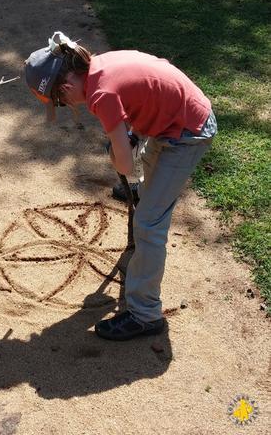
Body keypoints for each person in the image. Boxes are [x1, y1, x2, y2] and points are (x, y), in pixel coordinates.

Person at [25, 32, 217, 341]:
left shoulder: (101, 95)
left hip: (187, 132)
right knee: (147, 181)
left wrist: (118, 151)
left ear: (66, 87)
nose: (66, 106)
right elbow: (137, 100)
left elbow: (125, 166)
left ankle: (145, 314)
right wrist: (125, 141)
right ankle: (145, 194)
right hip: (169, 121)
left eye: (60, 102)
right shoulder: (98, 68)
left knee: (149, 224)